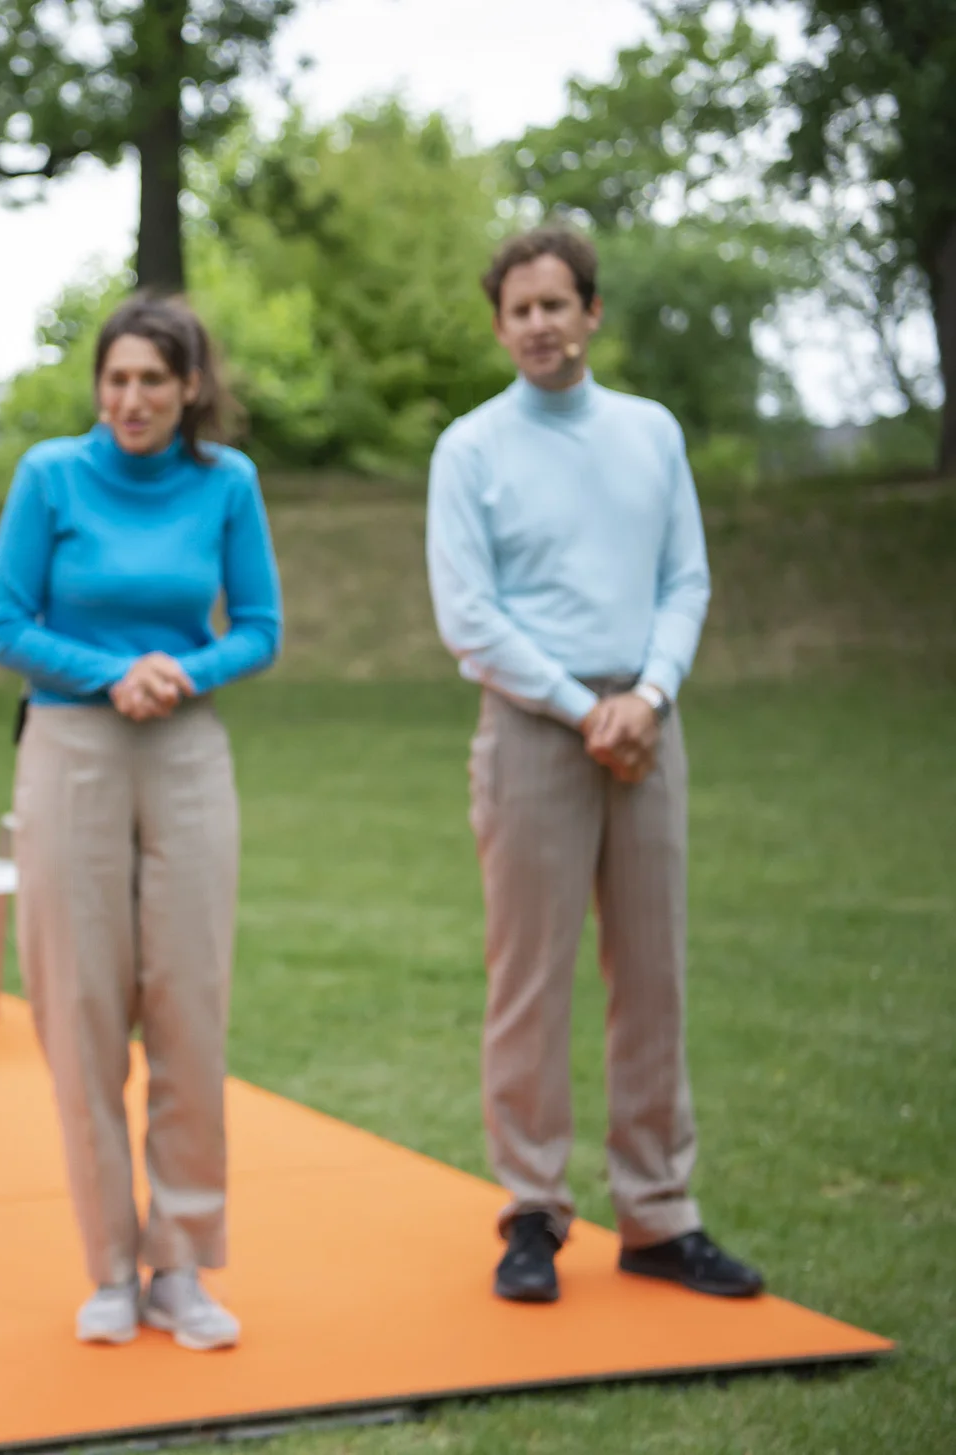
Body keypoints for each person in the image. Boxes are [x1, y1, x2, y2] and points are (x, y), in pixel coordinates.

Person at [426, 225, 764, 1305]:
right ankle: (531, 1211)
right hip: (534, 729)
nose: (536, 325)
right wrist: (584, 711)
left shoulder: (647, 434)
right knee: (528, 983)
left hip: (645, 726)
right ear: (498, 327)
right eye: (517, 310)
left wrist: (647, 697)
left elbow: (685, 580)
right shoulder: (469, 449)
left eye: (554, 305)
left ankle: (659, 1218)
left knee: (651, 977)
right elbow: (468, 617)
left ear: (590, 314)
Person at [0, 296, 281, 1351]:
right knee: (81, 1017)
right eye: (115, 379)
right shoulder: (49, 476)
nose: (131, 399)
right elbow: (2, 624)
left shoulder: (225, 484)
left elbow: (258, 627)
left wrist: (179, 671)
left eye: (153, 379)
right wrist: (115, 673)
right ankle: (108, 1265)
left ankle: (181, 1265)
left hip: (188, 753)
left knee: (188, 1015)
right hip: (69, 753)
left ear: (189, 386)